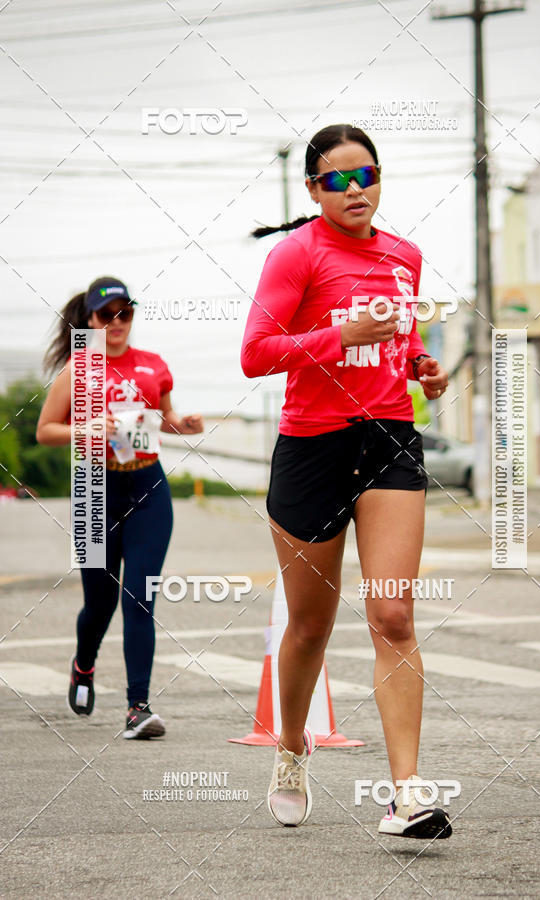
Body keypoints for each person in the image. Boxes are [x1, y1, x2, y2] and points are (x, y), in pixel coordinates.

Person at [241, 125, 452, 837]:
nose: (355, 189)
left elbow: (406, 338)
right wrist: (339, 338)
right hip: (312, 450)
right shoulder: (295, 255)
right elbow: (255, 353)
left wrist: (424, 366)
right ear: (313, 190)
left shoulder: (405, 256)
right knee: (309, 625)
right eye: (336, 180)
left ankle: (408, 795)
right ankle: (293, 746)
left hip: (389, 438)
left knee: (393, 615)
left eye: (367, 175)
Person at [36, 276, 204, 739]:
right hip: (94, 490)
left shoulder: (153, 365)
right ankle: (83, 665)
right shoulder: (79, 369)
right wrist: (86, 428)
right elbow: (46, 430)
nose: (116, 322)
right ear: (89, 319)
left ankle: (138, 707)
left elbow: (161, 419)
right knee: (100, 600)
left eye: (124, 313)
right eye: (105, 314)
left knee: (140, 597)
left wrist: (181, 425)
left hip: (148, 488)